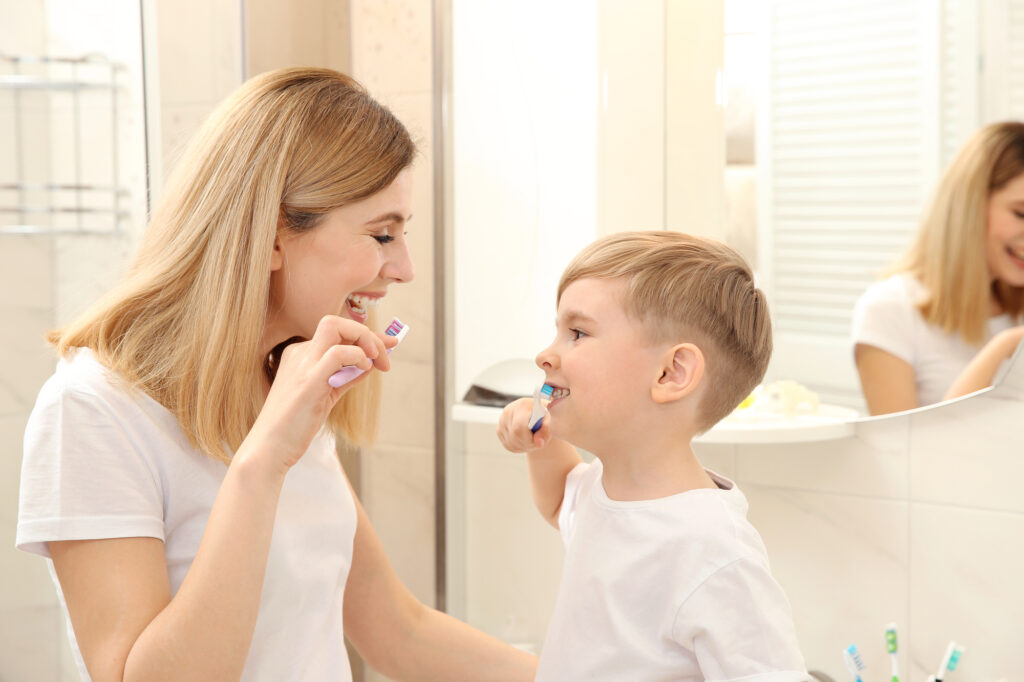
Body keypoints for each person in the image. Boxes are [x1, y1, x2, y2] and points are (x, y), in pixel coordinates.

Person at [16, 68, 536, 682]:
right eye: (382, 234)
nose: (405, 267)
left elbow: (399, 631)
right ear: (270, 238)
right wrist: (262, 463)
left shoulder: (280, 382)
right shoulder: (93, 411)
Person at [496, 231, 808, 681]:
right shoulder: (606, 490)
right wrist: (538, 438)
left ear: (671, 372)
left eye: (577, 333)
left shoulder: (713, 551)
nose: (545, 355)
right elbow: (558, 503)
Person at [853, 121, 1024, 415]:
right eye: (1020, 213)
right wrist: (1007, 345)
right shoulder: (890, 310)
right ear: (971, 205)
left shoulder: (1016, 307)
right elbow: (906, 453)